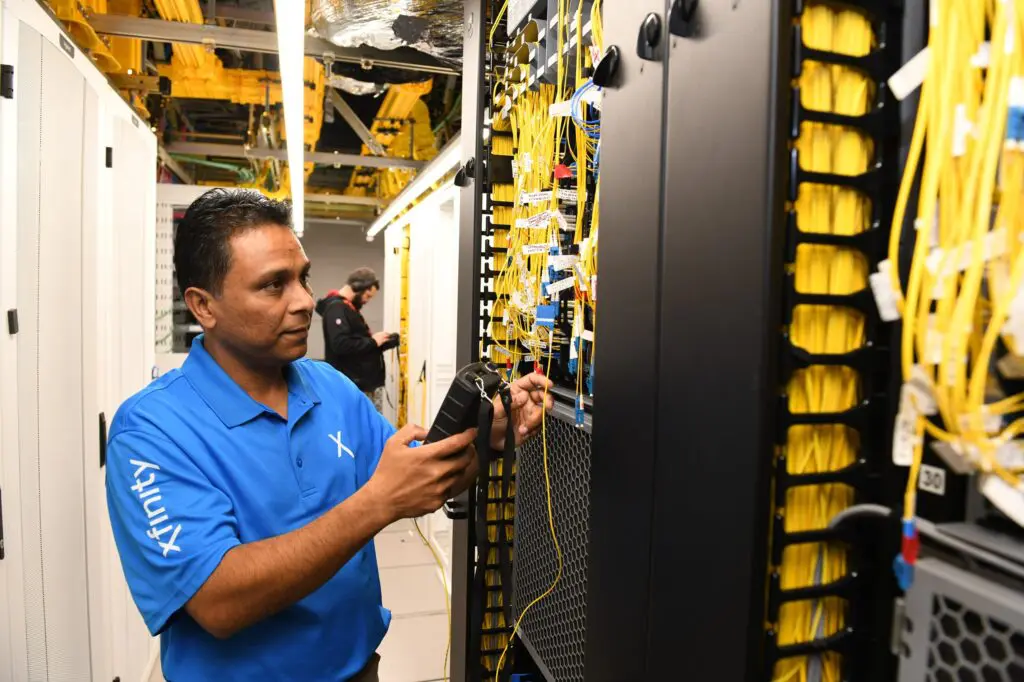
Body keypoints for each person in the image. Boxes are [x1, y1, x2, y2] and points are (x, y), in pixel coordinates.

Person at [104, 188, 552, 682]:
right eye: (273, 285)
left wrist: (488, 434)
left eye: (303, 278)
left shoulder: (330, 387)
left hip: (359, 670)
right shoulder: (151, 430)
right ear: (203, 306)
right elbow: (218, 601)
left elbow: (422, 480)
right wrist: (378, 503)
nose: (303, 302)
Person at [315, 268, 395, 411]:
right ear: (358, 287)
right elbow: (341, 345)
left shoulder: (347, 309)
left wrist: (385, 342)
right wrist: (373, 342)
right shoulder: (337, 309)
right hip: (351, 385)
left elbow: (359, 346)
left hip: (358, 384)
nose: (366, 301)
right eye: (368, 295)